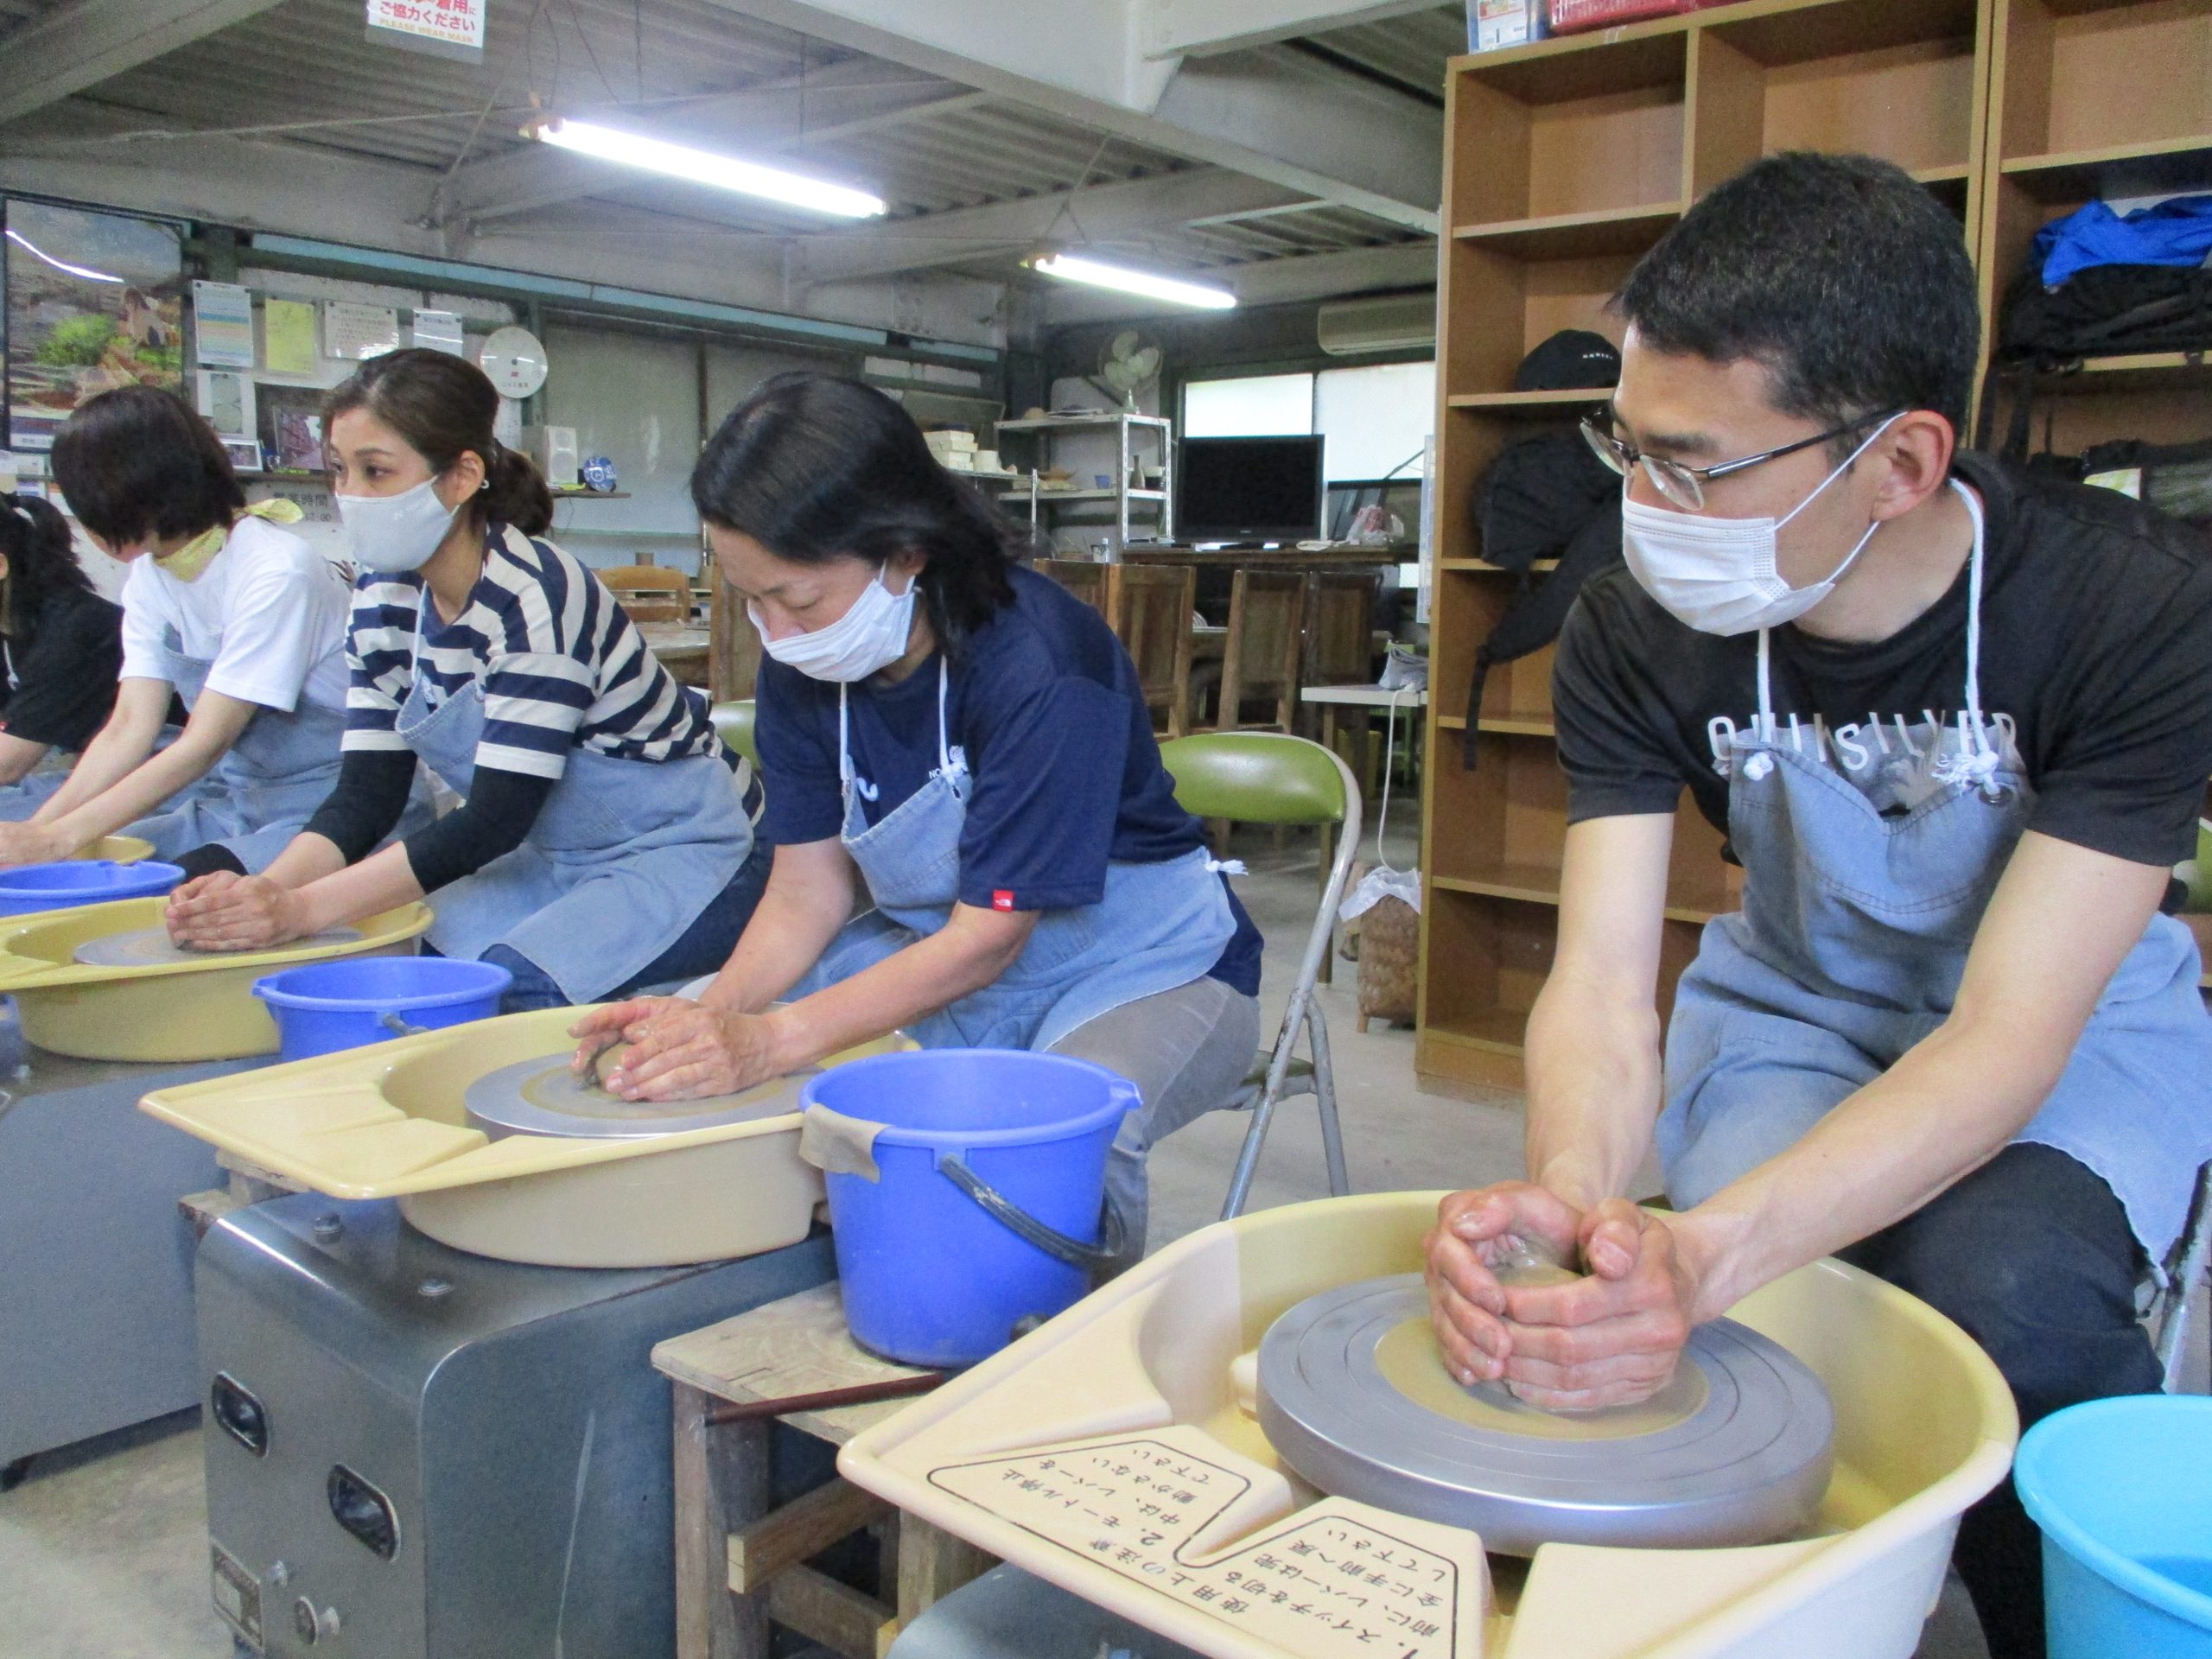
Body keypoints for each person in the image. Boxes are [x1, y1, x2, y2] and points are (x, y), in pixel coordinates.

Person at [1423, 152, 2212, 1659]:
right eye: (1627, 446)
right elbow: (1598, 983)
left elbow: (2005, 1034)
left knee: (2002, 1296)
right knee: (1760, 1306)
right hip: (1798, 1007)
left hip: (2063, 1025)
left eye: (1695, 466)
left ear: (1903, 462)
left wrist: (1709, 1244)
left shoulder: (2132, 610)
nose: (1644, 505)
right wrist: (1580, 1196)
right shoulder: (1632, 628)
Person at [569, 373, 1264, 1258]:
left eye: (799, 599)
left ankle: (1066, 1345)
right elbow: (804, 891)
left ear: (905, 550)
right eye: (752, 599)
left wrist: (770, 1039)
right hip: (939, 954)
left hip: (1143, 968)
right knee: (689, 1041)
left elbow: (990, 938)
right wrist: (711, 1022)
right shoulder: (803, 666)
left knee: (1059, 1128)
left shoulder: (1040, 663)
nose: (775, 635)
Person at [166, 349, 770, 1014]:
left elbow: (492, 821)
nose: (351, 498)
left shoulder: (535, 592)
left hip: (690, 850)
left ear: (460, 477)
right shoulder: (383, 594)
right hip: (554, 854)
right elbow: (365, 796)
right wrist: (266, 895)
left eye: (376, 472)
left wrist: (297, 909)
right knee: (405, 958)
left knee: (501, 995)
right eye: (339, 472)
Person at [9, 385, 424, 877]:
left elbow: (204, 742)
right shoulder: (151, 574)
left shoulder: (274, 571)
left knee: (167, 897)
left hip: (337, 814)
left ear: (138, 491)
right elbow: (127, 729)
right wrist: (39, 834)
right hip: (238, 803)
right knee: (90, 867)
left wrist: (59, 838)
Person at [0, 492, 127, 819]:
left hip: (151, 779)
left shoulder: (79, 626)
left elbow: (10, 762)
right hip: (83, 776)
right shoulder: (12, 623)